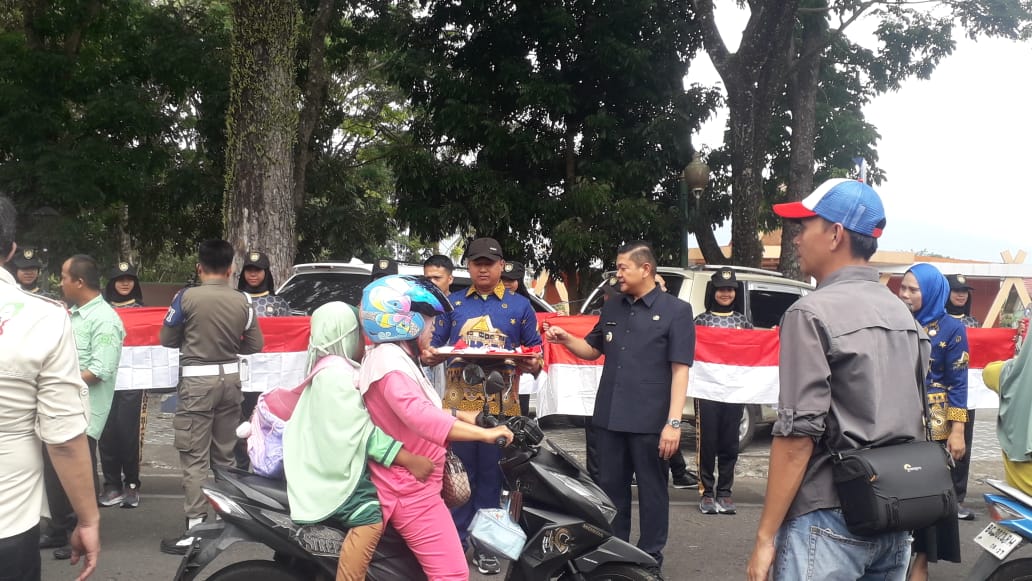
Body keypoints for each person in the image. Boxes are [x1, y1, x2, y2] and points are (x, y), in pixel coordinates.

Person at [746, 178, 926, 581]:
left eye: (804, 226)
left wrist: (764, 536)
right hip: (894, 513)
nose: (794, 239)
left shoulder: (809, 314)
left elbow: (797, 438)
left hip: (827, 516)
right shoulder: (904, 316)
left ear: (835, 234)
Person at [544, 241, 695, 577]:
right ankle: (615, 557)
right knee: (611, 493)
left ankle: (649, 559)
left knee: (653, 493)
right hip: (610, 417)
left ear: (646, 269)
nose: (618, 274)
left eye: (623, 267)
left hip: (651, 421)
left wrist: (673, 423)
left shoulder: (676, 310)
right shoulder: (612, 305)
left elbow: (680, 370)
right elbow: (591, 349)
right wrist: (565, 338)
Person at [359, 275, 514, 581]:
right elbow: (419, 417)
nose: (433, 328)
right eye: (428, 319)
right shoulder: (389, 365)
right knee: (453, 574)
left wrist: (464, 415)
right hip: (410, 491)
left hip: (416, 483)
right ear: (404, 321)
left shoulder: (395, 359)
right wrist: (484, 435)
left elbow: (419, 409)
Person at [284, 301, 434, 581]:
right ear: (344, 335)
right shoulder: (335, 377)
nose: (363, 342)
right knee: (370, 519)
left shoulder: (329, 367)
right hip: (333, 474)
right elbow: (362, 433)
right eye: (358, 334)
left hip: (326, 462)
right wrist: (409, 459)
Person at [422, 237, 543, 575]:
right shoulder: (453, 304)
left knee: (493, 476)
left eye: (489, 263)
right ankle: (457, 539)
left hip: (502, 405)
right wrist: (430, 353)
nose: (483, 268)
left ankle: (488, 545)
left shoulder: (520, 307)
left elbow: (535, 352)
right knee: (459, 473)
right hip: (459, 404)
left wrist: (533, 363)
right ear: (469, 267)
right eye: (476, 263)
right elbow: (433, 345)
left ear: (501, 266)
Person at [0, 195, 100, 581]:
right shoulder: (44, 318)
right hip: (8, 518)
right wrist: (88, 520)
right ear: (10, 250)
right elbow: (63, 439)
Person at [159, 239, 265, 554]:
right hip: (231, 381)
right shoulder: (243, 300)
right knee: (225, 455)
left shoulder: (186, 297)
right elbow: (255, 344)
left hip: (196, 384)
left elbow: (167, 337)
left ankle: (195, 528)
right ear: (232, 269)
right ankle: (226, 521)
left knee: (194, 458)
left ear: (199, 267)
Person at [45, 254, 125, 560]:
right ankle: (58, 528)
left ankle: (79, 530)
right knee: (52, 470)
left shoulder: (104, 318)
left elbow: (99, 369)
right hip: (61, 405)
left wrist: (56, 381)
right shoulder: (74, 314)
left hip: (83, 409)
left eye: (64, 276)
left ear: (79, 282)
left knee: (77, 471)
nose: (60, 282)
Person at [898, 263, 968, 580]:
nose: (906, 294)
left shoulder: (953, 330)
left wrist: (957, 431)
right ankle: (892, 557)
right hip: (895, 420)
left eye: (914, 289)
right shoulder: (895, 321)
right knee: (895, 488)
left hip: (934, 427)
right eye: (903, 288)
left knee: (927, 494)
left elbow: (959, 383)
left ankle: (921, 563)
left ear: (931, 292)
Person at [694, 267, 753, 515]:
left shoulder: (743, 322)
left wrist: (773, 338)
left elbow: (753, 353)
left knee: (730, 444)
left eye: (730, 289)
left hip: (733, 392)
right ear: (713, 291)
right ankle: (707, 492)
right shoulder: (700, 321)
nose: (726, 293)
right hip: (707, 391)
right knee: (707, 443)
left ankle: (725, 493)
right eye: (721, 289)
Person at [235, 250, 292, 470]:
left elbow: (289, 337)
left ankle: (265, 466)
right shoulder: (236, 301)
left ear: (266, 273)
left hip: (270, 374)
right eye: (249, 270)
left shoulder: (278, 303)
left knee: (266, 420)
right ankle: (240, 466)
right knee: (240, 420)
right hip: (242, 371)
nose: (253, 274)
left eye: (257, 270)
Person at [97, 262, 147, 510]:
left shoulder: (143, 312)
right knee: (105, 433)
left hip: (133, 381)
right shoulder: (100, 310)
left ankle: (132, 484)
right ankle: (111, 484)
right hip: (102, 380)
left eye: (129, 279)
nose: (125, 283)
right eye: (120, 279)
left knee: (128, 432)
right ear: (111, 283)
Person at [945, 273, 979, 521]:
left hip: (966, 393)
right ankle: (938, 496)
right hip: (938, 396)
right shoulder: (936, 321)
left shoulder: (974, 323)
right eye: (956, 290)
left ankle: (958, 498)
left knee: (962, 445)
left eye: (964, 291)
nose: (961, 294)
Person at [500, 261, 541, 415]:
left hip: (519, 367)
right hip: (495, 367)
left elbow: (532, 340)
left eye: (511, 280)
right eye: (503, 280)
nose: (507, 284)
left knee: (519, 412)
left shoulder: (526, 306)